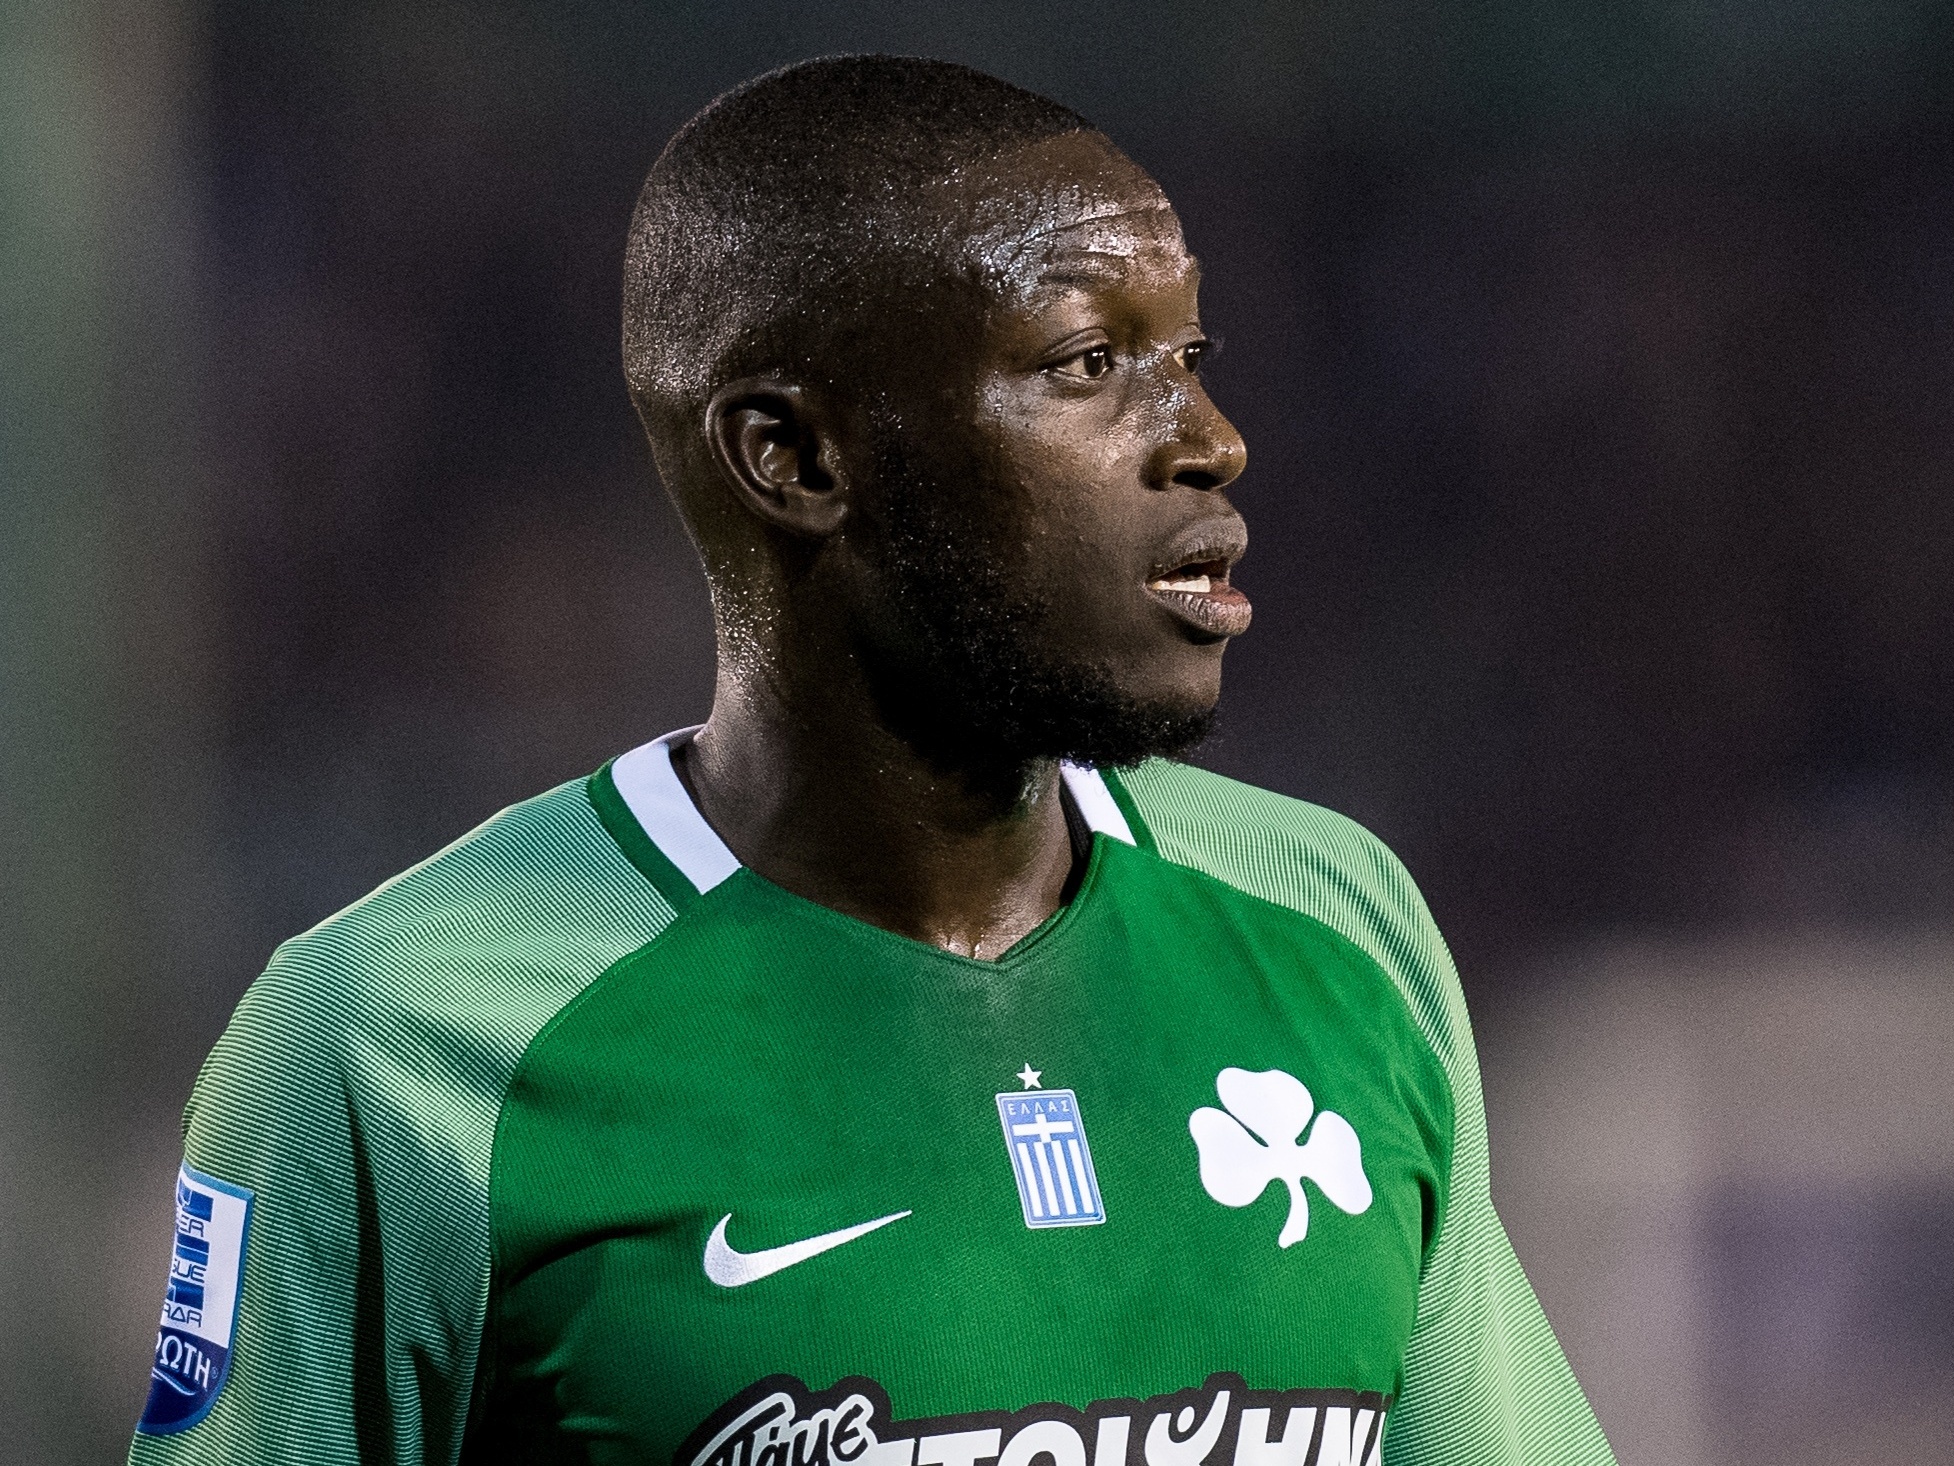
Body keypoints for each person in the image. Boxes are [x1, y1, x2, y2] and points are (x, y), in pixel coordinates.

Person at [129, 55, 1615, 1466]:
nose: (1208, 438)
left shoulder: (1336, 924)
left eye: (1190, 357)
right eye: (1092, 360)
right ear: (795, 456)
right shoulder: (390, 1039)